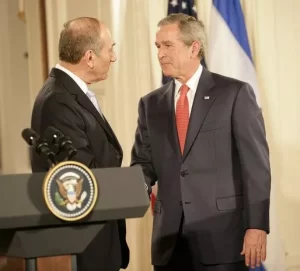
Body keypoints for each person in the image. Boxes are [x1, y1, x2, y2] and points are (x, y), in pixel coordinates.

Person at [131, 13, 270, 271]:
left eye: (168, 46)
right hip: (169, 241)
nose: (161, 54)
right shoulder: (151, 104)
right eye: (158, 46)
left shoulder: (234, 94)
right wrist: (127, 189)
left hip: (222, 239)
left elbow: (256, 166)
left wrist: (256, 225)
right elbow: (143, 162)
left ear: (194, 47)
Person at [31, 17, 129, 271]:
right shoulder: (59, 100)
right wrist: (130, 186)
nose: (113, 57)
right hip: (86, 242)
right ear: (89, 57)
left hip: (96, 235)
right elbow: (79, 175)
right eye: (110, 49)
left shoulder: (68, 93)